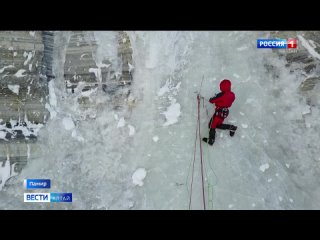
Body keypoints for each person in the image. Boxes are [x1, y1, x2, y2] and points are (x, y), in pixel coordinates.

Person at [202, 79, 237, 145]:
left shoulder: (221, 94)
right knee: (217, 125)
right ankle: (232, 128)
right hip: (225, 112)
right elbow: (229, 100)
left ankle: (211, 140)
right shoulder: (232, 94)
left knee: (212, 125)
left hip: (219, 112)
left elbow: (211, 100)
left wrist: (217, 98)